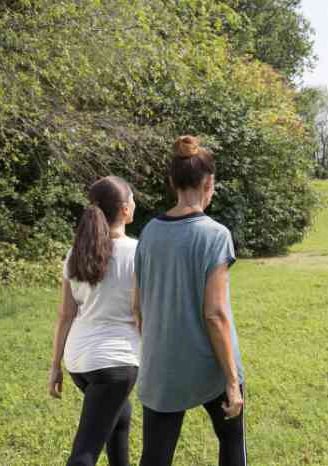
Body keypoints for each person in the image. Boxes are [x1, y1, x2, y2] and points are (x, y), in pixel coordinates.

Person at [133, 135, 247, 466]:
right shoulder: (216, 235)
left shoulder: (149, 232)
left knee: (154, 457)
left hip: (162, 368)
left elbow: (137, 308)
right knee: (231, 444)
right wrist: (231, 382)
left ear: (173, 182)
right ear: (209, 182)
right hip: (213, 366)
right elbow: (215, 315)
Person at [48, 176, 140, 466]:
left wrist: (55, 366)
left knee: (118, 418)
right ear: (125, 210)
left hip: (79, 363)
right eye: (134, 200)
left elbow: (65, 315)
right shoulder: (138, 252)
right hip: (116, 364)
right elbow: (140, 314)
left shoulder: (76, 253)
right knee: (84, 454)